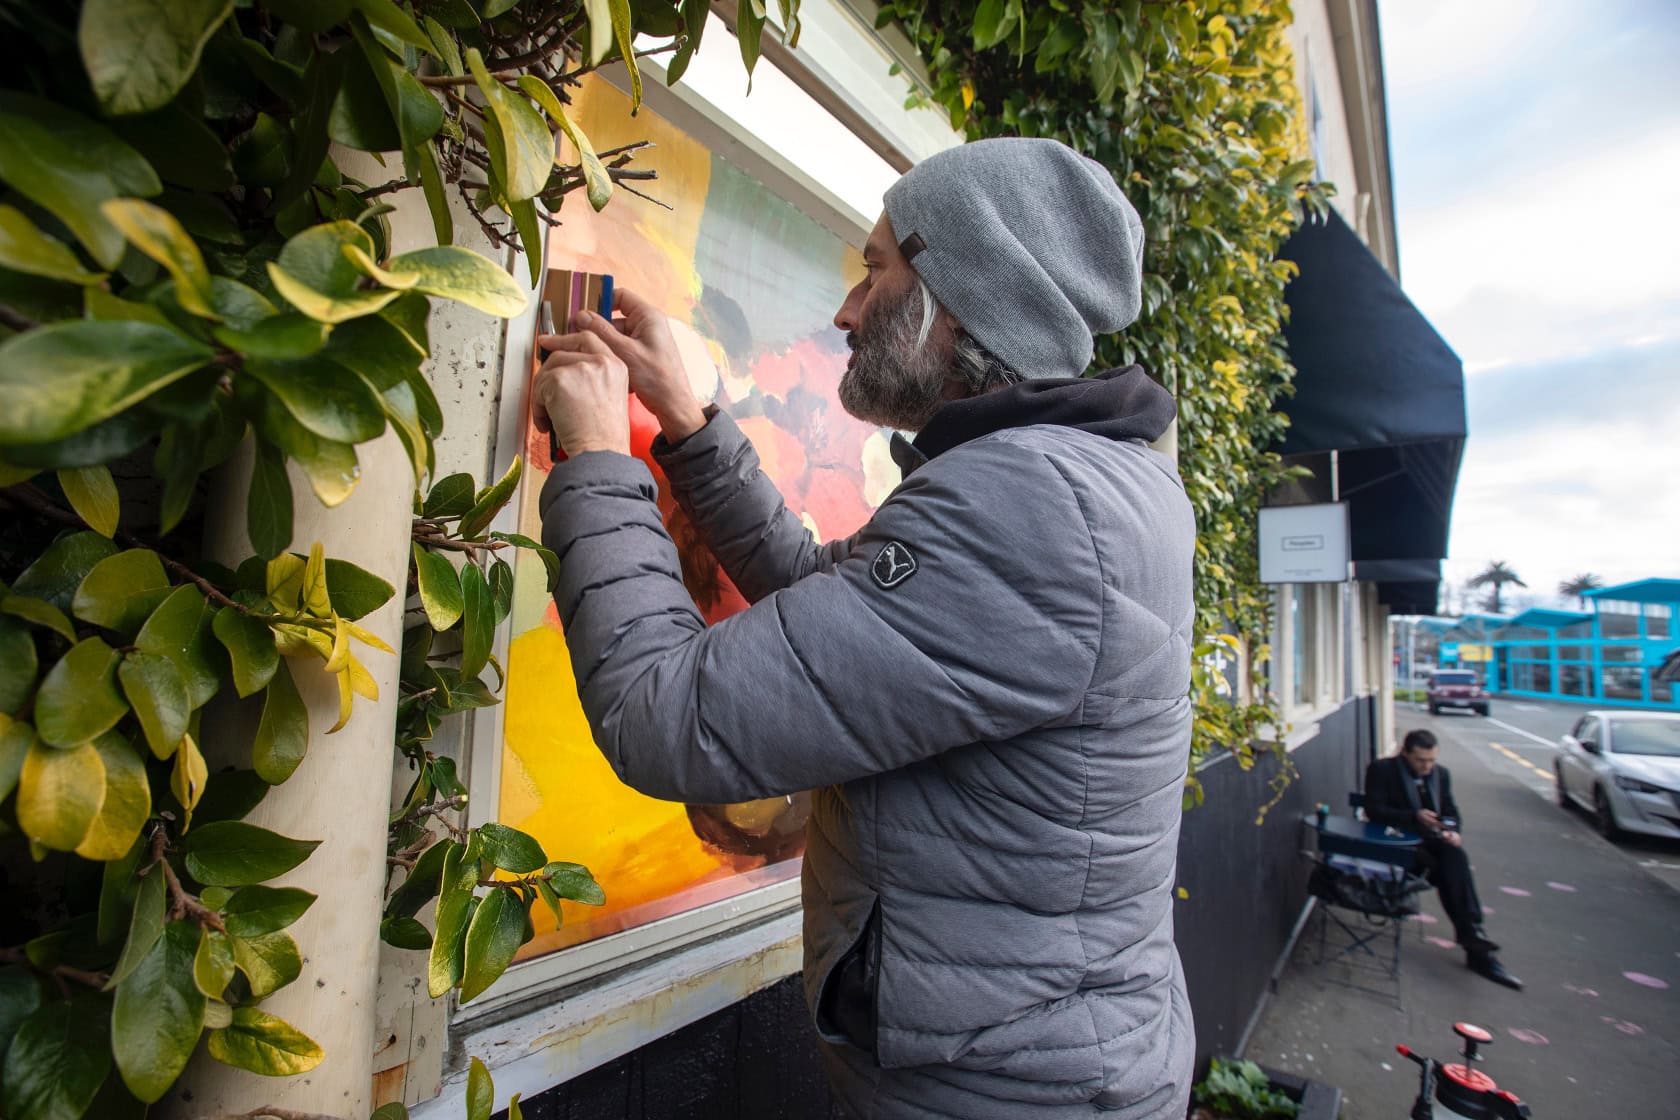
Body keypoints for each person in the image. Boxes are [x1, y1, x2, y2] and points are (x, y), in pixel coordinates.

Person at [532, 138, 1195, 1118]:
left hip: (1002, 1093)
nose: (844, 310)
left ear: (957, 297)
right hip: (1031, 1061)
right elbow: (821, 601)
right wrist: (692, 422)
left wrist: (594, 454)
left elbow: (659, 713)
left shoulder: (1028, 511)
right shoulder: (1067, 482)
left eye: (875, 268)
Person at [1363, 730, 1523, 990]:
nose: (1426, 767)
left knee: (1454, 856)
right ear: (1405, 753)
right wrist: (1414, 816)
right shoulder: (1383, 770)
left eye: (1431, 761)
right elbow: (1374, 810)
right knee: (1452, 871)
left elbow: (1451, 810)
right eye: (1420, 761)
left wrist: (1453, 831)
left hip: (1431, 843)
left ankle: (1474, 938)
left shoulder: (1441, 775)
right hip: (1397, 845)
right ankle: (1475, 942)